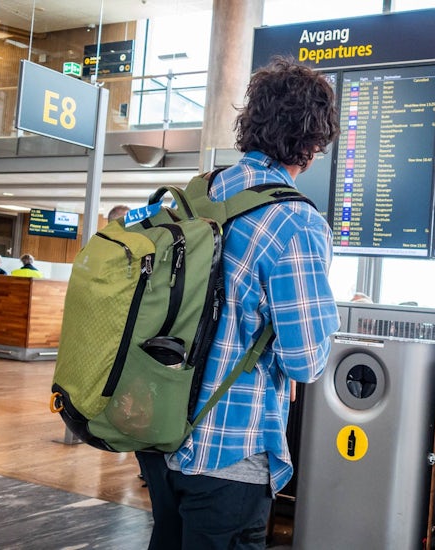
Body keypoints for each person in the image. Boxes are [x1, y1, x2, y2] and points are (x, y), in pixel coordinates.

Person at [137, 56, 340, 550]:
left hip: (158, 432)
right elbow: (306, 359)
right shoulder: (295, 221)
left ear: (250, 125)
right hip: (228, 449)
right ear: (313, 147)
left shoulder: (197, 192)